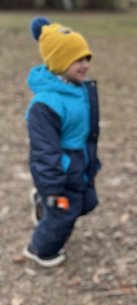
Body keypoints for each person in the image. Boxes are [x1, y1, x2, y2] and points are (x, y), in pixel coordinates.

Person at [23, 17, 101, 267]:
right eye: (78, 59)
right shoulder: (45, 104)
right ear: (59, 62)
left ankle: (44, 204)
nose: (85, 64)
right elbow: (44, 151)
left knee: (87, 203)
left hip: (81, 161)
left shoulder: (78, 88)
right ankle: (39, 250)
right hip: (60, 168)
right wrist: (53, 186)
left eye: (87, 58)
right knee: (64, 212)